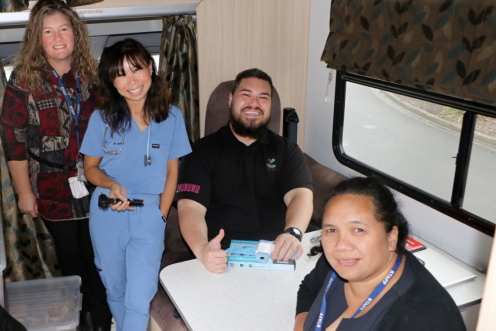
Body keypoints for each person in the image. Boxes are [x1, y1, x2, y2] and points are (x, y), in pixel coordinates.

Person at [0, 0, 111, 330]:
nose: (58, 37)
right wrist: (24, 193)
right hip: (50, 187)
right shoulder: (23, 82)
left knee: (99, 254)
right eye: (48, 31)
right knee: (71, 255)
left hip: (96, 180)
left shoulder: (93, 76)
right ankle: (87, 316)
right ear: (37, 38)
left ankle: (105, 314)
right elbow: (13, 142)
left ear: (76, 33)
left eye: (64, 29)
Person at [80, 38, 192, 331]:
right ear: (112, 81)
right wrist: (111, 183)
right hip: (108, 210)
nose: (131, 80)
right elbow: (90, 169)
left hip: (149, 214)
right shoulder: (101, 120)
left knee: (140, 297)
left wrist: (162, 215)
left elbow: (172, 173)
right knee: (115, 288)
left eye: (136, 69)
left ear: (151, 69)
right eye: (120, 73)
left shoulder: (172, 117)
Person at [176, 68, 314, 274]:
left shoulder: (287, 151)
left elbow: (300, 195)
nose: (254, 104)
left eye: (263, 98)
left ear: (270, 106)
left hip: (277, 252)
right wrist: (202, 249)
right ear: (231, 100)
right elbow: (190, 208)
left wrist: (292, 233)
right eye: (246, 95)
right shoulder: (201, 152)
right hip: (223, 256)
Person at [294, 177, 465, 331]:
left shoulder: (423, 319)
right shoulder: (339, 261)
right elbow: (309, 288)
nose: (341, 245)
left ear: (391, 237)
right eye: (331, 230)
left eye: (358, 230)